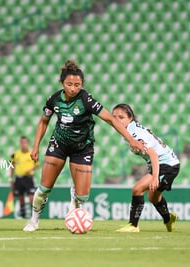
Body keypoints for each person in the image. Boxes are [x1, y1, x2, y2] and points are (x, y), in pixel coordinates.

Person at [23, 60, 145, 232]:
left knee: (83, 196)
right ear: (62, 83)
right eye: (69, 84)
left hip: (82, 148)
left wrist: (131, 140)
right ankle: (33, 221)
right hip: (59, 144)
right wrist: (35, 146)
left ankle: (75, 198)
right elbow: (43, 122)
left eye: (77, 85)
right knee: (44, 188)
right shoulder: (54, 100)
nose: (73, 88)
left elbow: (110, 118)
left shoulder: (86, 100)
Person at [113, 104, 180, 233]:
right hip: (164, 163)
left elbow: (153, 154)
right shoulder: (129, 130)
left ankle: (133, 225)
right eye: (114, 117)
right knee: (153, 197)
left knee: (137, 189)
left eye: (121, 117)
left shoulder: (134, 132)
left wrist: (155, 177)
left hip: (167, 165)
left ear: (130, 118)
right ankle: (168, 219)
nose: (117, 120)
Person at [10, 136, 38, 218]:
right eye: (22, 142)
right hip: (19, 178)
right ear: (20, 143)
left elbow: (36, 165)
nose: (23, 144)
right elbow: (12, 166)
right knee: (20, 197)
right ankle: (23, 215)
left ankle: (34, 216)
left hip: (28, 178)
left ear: (28, 143)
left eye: (25, 142)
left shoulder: (32, 153)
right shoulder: (15, 154)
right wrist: (11, 178)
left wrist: (31, 169)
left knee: (31, 197)